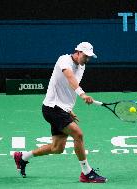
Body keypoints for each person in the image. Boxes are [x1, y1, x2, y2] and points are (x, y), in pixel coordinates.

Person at [13, 42, 107, 183]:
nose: (87, 59)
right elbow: (69, 78)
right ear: (78, 52)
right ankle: (86, 173)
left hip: (62, 109)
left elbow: (67, 89)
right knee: (78, 134)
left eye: (89, 57)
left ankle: (23, 157)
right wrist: (82, 95)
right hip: (52, 108)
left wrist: (69, 109)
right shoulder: (64, 60)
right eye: (85, 56)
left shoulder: (82, 66)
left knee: (57, 148)